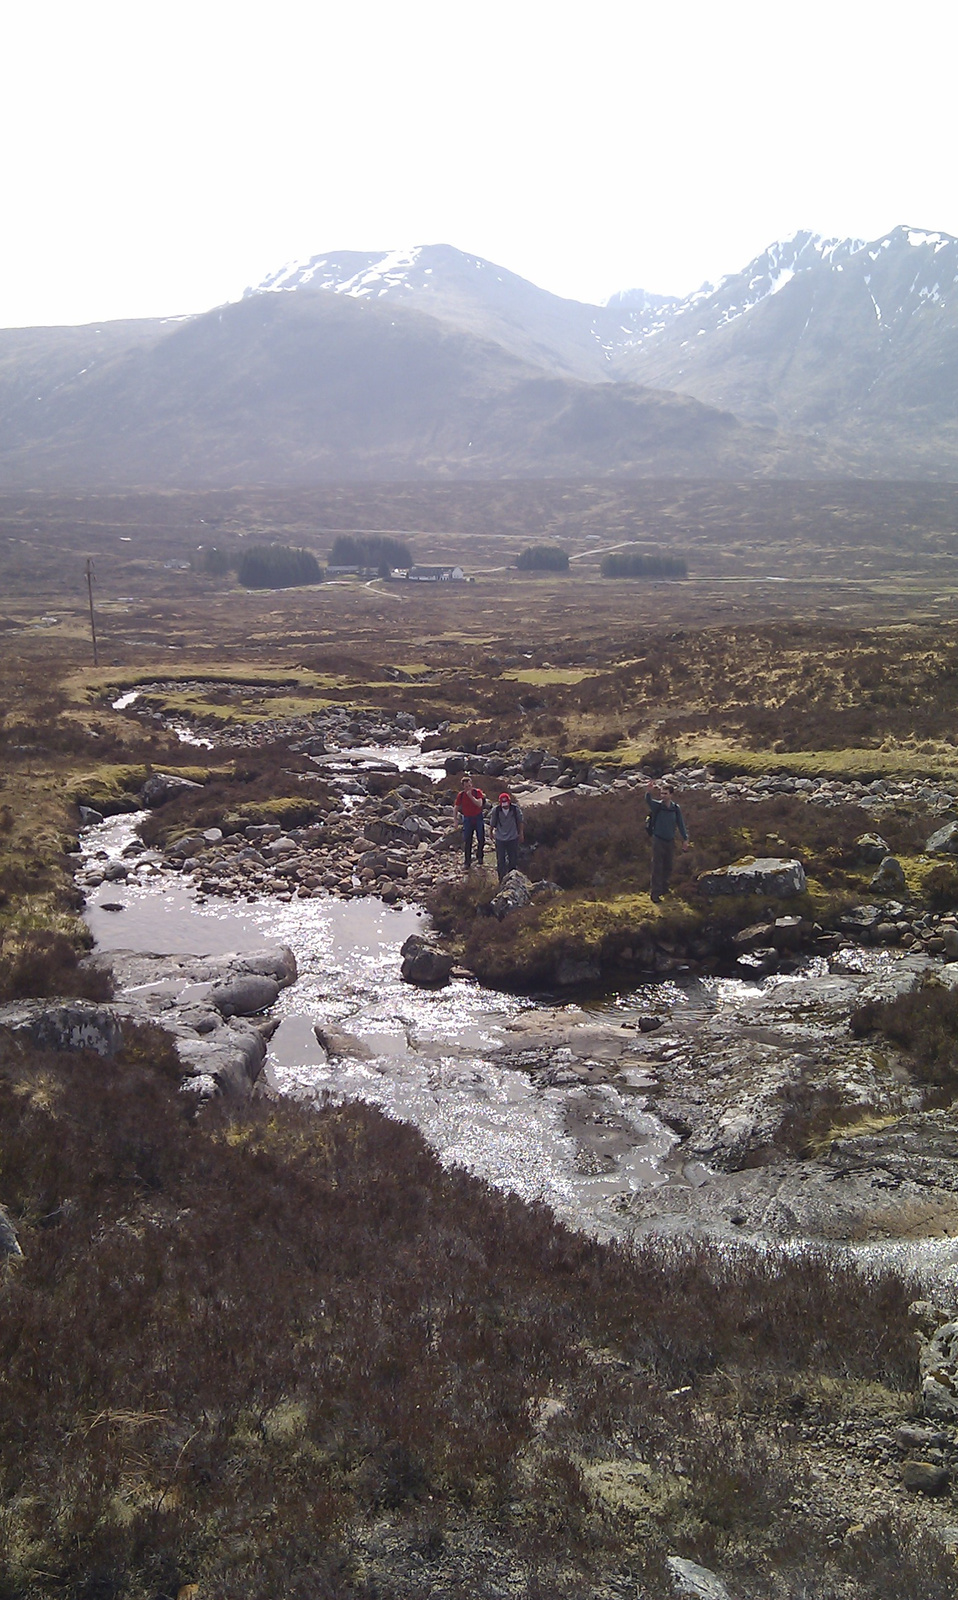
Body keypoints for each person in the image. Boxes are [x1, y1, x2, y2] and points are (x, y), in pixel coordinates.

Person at [645, 780, 689, 903]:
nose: (662, 796)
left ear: (671, 795)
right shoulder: (657, 806)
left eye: (665, 793)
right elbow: (648, 801)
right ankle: (655, 893)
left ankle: (665, 888)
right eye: (661, 793)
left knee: (668, 865)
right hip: (658, 840)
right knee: (657, 867)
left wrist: (685, 838)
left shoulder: (675, 808)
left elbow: (680, 824)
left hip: (670, 840)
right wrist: (648, 792)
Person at [489, 790, 524, 880]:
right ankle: (501, 879)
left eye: (506, 803)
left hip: (513, 837)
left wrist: (521, 833)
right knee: (501, 860)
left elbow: (520, 821)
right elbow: (492, 823)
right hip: (500, 838)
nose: (505, 806)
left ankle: (512, 878)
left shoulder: (515, 809)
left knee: (513, 859)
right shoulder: (496, 810)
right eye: (503, 803)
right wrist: (491, 833)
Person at [453, 774, 487, 869]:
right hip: (467, 818)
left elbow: (479, 804)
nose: (468, 787)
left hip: (478, 817)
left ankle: (480, 856)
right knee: (468, 840)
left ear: (472, 784)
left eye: (469, 785)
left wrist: (471, 797)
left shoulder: (477, 792)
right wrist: (455, 820)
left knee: (481, 838)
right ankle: (467, 862)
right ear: (463, 786)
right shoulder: (461, 795)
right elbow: (455, 808)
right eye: (466, 786)